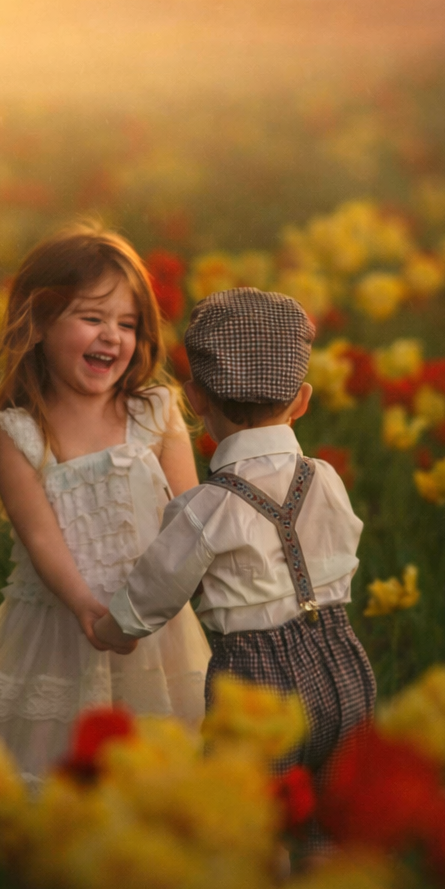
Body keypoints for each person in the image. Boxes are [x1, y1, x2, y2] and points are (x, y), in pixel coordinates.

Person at [93, 287, 376, 788]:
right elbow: (342, 546)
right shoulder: (326, 478)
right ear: (303, 400)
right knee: (338, 802)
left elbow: (153, 592)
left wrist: (113, 631)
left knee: (250, 804)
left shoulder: (205, 508)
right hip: (342, 661)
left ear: (196, 398)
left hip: (255, 686)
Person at [0, 224, 209, 786]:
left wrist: (180, 590)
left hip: (155, 623)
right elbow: (40, 535)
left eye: (128, 324)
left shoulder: (155, 411)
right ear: (39, 323)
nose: (112, 337)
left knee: (159, 758)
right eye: (92, 318)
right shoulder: (20, 433)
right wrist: (83, 604)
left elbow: (189, 516)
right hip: (60, 623)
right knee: (56, 762)